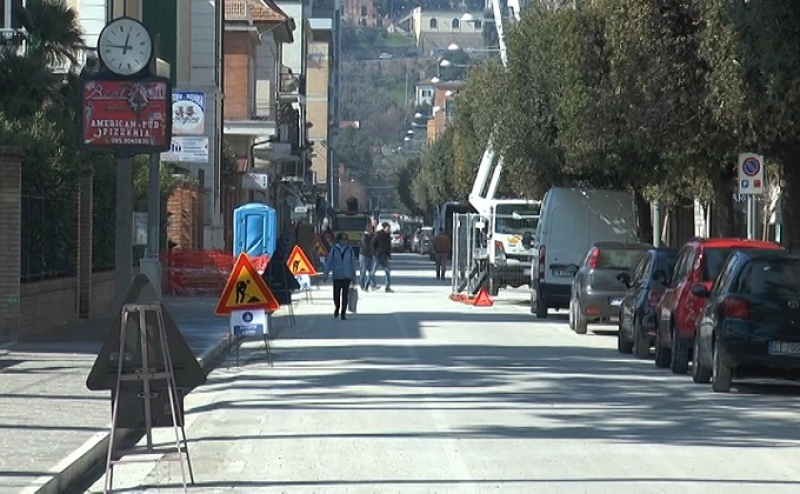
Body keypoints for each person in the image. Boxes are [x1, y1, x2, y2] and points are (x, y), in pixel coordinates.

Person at [323, 233, 357, 320]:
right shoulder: (334, 250)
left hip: (347, 275)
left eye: (346, 240)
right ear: (339, 240)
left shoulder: (350, 250)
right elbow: (329, 262)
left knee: (345, 295)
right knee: (336, 295)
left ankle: (343, 312)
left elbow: (353, 263)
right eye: (343, 239)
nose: (345, 241)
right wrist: (326, 273)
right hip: (337, 275)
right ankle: (337, 307)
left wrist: (354, 276)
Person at [371, 222, 394, 293]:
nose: (389, 229)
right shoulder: (378, 235)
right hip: (378, 256)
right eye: (388, 227)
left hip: (384, 256)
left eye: (389, 227)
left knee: (387, 271)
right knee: (372, 272)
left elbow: (388, 246)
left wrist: (388, 254)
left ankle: (387, 287)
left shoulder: (388, 236)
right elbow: (373, 244)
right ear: (384, 228)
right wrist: (375, 253)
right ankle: (372, 285)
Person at [359, 221, 380, 291]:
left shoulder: (371, 236)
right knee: (363, 271)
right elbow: (365, 246)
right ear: (368, 229)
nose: (372, 229)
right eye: (371, 228)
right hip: (364, 255)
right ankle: (362, 286)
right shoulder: (364, 236)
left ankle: (373, 285)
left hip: (369, 255)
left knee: (371, 271)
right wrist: (372, 248)